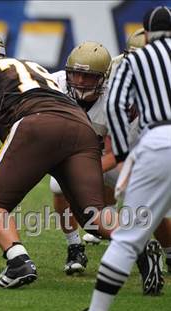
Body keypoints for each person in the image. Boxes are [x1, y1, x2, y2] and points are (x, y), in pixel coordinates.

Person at [0, 27, 117, 289]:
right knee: (93, 214)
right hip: (81, 126)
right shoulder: (30, 65)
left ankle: (18, 263)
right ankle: (139, 244)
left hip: (36, 124)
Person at [88, 6, 171, 310]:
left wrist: (123, 153)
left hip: (159, 140)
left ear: (145, 33)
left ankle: (98, 308)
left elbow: (115, 106)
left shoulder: (136, 59)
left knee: (129, 236)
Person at [48, 41, 113, 275]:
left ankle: (159, 247)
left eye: (88, 77)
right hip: (71, 153)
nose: (80, 82)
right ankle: (74, 246)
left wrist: (83, 173)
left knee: (141, 190)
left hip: (116, 156)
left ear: (104, 78)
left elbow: (119, 153)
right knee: (57, 186)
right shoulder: (54, 85)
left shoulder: (116, 98)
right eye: (75, 74)